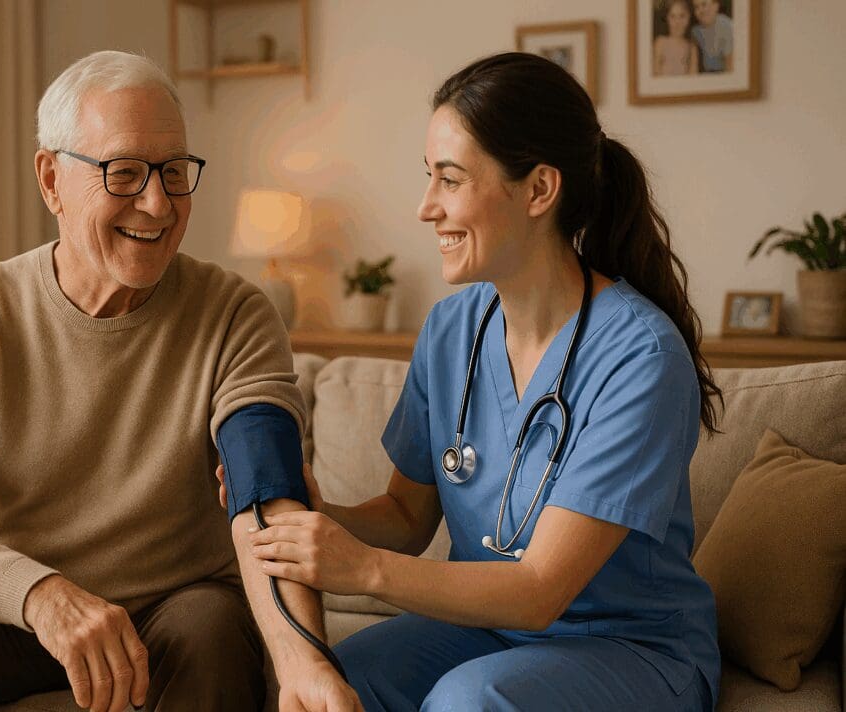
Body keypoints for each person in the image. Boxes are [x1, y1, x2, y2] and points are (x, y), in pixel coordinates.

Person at [0, 50, 360, 712]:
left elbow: (268, 494)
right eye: (124, 173)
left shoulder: (236, 314)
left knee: (213, 630)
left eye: (174, 172)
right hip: (23, 613)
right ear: (52, 180)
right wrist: (41, 595)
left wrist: (302, 664)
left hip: (175, 610)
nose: (157, 203)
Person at [221, 52, 723, 710]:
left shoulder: (639, 355)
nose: (426, 207)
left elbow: (543, 589)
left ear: (540, 190)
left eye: (450, 180)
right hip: (487, 631)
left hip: (629, 647)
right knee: (331, 677)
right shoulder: (451, 330)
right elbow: (406, 517)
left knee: (470, 700)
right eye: (429, 177)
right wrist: (321, 518)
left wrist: (363, 569)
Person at [654, 0, 699, 76]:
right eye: (672, 16)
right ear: (667, 18)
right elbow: (655, 72)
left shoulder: (691, 47)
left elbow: (693, 76)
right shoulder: (660, 42)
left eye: (682, 16)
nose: (677, 21)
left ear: (688, 17)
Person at [691, 0, 734, 72]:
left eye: (704, 4)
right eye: (696, 7)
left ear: (716, 5)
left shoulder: (727, 26)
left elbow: (730, 66)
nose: (700, 10)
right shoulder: (695, 32)